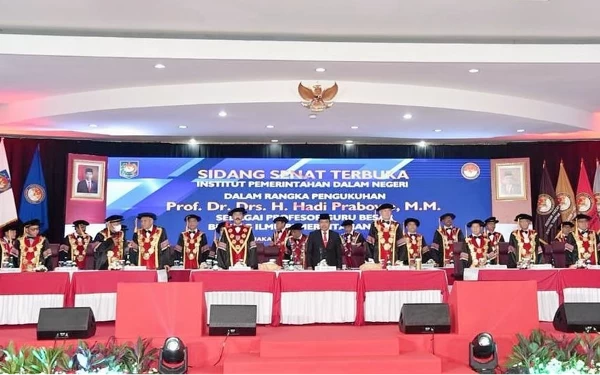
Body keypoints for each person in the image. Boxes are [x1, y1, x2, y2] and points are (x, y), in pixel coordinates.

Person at [365, 204, 402, 268]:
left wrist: (400, 259)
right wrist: (370, 258)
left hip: (394, 258)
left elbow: (400, 242)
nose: (387, 213)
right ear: (380, 212)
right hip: (377, 257)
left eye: (389, 211)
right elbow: (370, 242)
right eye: (385, 211)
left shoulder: (396, 225)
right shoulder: (375, 224)